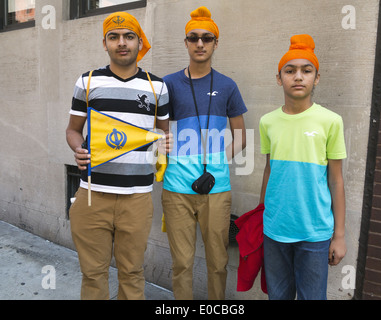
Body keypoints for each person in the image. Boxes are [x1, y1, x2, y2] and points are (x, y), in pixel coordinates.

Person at [65, 11, 171, 300]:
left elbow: (162, 134)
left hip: (137, 197)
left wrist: (163, 145)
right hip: (91, 195)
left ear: (139, 42)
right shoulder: (87, 82)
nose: (121, 43)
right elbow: (73, 130)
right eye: (114, 37)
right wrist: (78, 148)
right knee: (93, 274)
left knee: (132, 272)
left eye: (128, 36)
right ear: (105, 43)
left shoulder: (157, 86)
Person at [161, 6, 247, 300]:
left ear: (215, 43)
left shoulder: (227, 86)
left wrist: (220, 159)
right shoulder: (168, 84)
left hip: (216, 188)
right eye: (194, 37)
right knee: (181, 263)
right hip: (175, 189)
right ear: (185, 42)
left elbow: (241, 137)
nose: (200, 43)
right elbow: (156, 131)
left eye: (207, 38)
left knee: (218, 263)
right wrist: (161, 148)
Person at [259, 34, 347, 300]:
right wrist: (261, 213)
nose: (298, 76)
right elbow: (269, 169)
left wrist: (339, 235)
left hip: (315, 232)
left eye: (306, 71)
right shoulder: (268, 122)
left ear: (316, 78)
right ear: (279, 78)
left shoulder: (330, 121)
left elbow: (336, 181)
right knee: (278, 295)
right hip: (275, 229)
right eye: (290, 70)